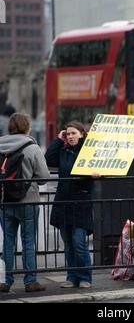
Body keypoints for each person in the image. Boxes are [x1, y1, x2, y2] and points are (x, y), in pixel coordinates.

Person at [0, 113, 50, 293]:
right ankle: (30, 281)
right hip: (28, 201)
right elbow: (44, 177)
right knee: (28, 241)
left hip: (4, 201)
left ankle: (6, 280)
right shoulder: (32, 147)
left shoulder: (1, 145)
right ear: (27, 127)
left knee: (8, 240)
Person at [45, 121, 94, 289]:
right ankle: (71, 277)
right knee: (68, 243)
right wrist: (58, 140)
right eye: (68, 134)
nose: (71, 137)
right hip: (63, 202)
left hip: (80, 202)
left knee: (78, 242)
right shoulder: (64, 150)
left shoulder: (88, 151)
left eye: (74, 133)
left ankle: (85, 277)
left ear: (81, 134)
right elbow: (48, 159)